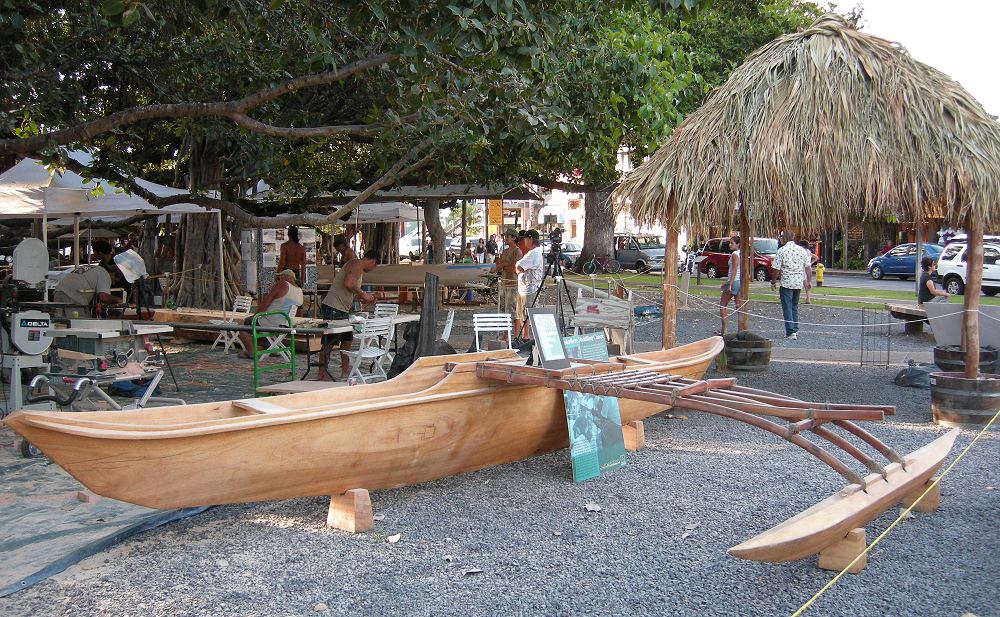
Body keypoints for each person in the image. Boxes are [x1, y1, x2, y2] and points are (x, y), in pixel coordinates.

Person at [316, 250, 380, 381]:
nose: (373, 269)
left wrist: (361, 298)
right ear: (372, 261)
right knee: (329, 342)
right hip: (333, 307)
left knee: (347, 341)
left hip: (342, 308)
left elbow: (347, 291)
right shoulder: (357, 264)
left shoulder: (356, 267)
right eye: (374, 266)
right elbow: (349, 283)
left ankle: (345, 369)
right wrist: (363, 293)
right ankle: (322, 372)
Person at [237, 269, 303, 357]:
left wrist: (255, 316)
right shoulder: (299, 291)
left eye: (280, 277)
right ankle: (271, 347)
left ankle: (251, 351)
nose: (278, 279)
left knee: (242, 325)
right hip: (286, 324)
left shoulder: (283, 284)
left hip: (271, 322)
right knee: (258, 325)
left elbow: (265, 304)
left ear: (285, 276)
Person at [53, 241, 120, 312]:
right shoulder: (104, 273)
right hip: (73, 297)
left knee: (61, 322)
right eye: (115, 279)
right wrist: (118, 300)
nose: (113, 283)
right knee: (79, 321)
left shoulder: (94, 269)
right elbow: (103, 297)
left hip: (59, 292)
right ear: (112, 272)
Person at [771, 231, 812, 340]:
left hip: (786, 282)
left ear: (784, 238)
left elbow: (776, 268)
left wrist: (773, 281)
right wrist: (809, 281)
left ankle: (790, 331)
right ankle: (795, 328)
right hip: (798, 282)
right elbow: (808, 267)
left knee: (787, 307)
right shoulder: (802, 250)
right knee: (794, 306)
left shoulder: (781, 251)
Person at [491, 228, 523, 332]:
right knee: (504, 311)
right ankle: (506, 334)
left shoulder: (517, 251)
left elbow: (515, 268)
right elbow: (497, 264)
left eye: (507, 236)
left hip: (513, 284)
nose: (505, 238)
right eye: (504, 236)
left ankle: (515, 335)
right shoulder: (504, 251)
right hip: (504, 283)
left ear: (513, 238)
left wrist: (503, 265)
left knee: (513, 310)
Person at [514, 229, 544, 340]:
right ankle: (524, 336)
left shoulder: (535, 253)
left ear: (530, 239)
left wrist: (518, 268)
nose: (524, 242)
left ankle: (527, 336)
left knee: (527, 314)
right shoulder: (532, 252)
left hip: (530, 288)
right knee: (521, 313)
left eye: (525, 239)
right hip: (524, 288)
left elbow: (519, 267)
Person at [717, 235, 742, 335]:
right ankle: (741, 329)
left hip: (734, 281)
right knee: (738, 306)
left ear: (738, 244)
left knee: (722, 305)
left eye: (732, 243)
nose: (730, 245)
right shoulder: (741, 253)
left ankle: (724, 330)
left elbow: (734, 269)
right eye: (730, 243)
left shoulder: (735, 254)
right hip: (739, 281)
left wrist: (730, 284)